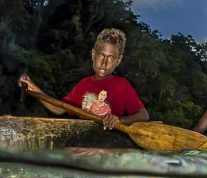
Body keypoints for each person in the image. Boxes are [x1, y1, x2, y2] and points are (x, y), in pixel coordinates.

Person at [19, 28, 149, 129]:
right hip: (84, 145)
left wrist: (119, 120)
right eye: (101, 55)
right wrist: (33, 87)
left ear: (118, 60)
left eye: (110, 58)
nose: (104, 62)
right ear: (94, 54)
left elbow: (144, 115)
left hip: (108, 147)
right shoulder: (84, 84)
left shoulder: (122, 85)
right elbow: (58, 109)